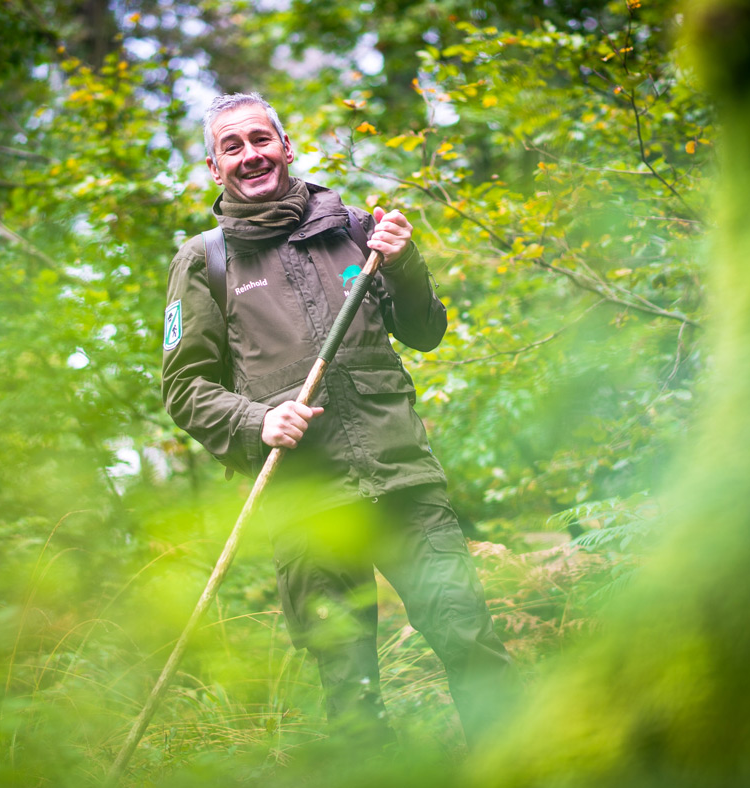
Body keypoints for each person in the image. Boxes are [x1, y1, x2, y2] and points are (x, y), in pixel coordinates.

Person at [161, 92, 511, 748]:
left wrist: (404, 260)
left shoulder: (353, 227)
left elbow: (425, 331)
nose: (250, 155)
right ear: (215, 168)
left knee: (472, 645)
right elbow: (184, 388)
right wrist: (257, 420)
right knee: (351, 696)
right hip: (307, 506)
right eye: (231, 147)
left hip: (402, 481)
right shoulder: (204, 261)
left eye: (261, 139)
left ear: (287, 148)